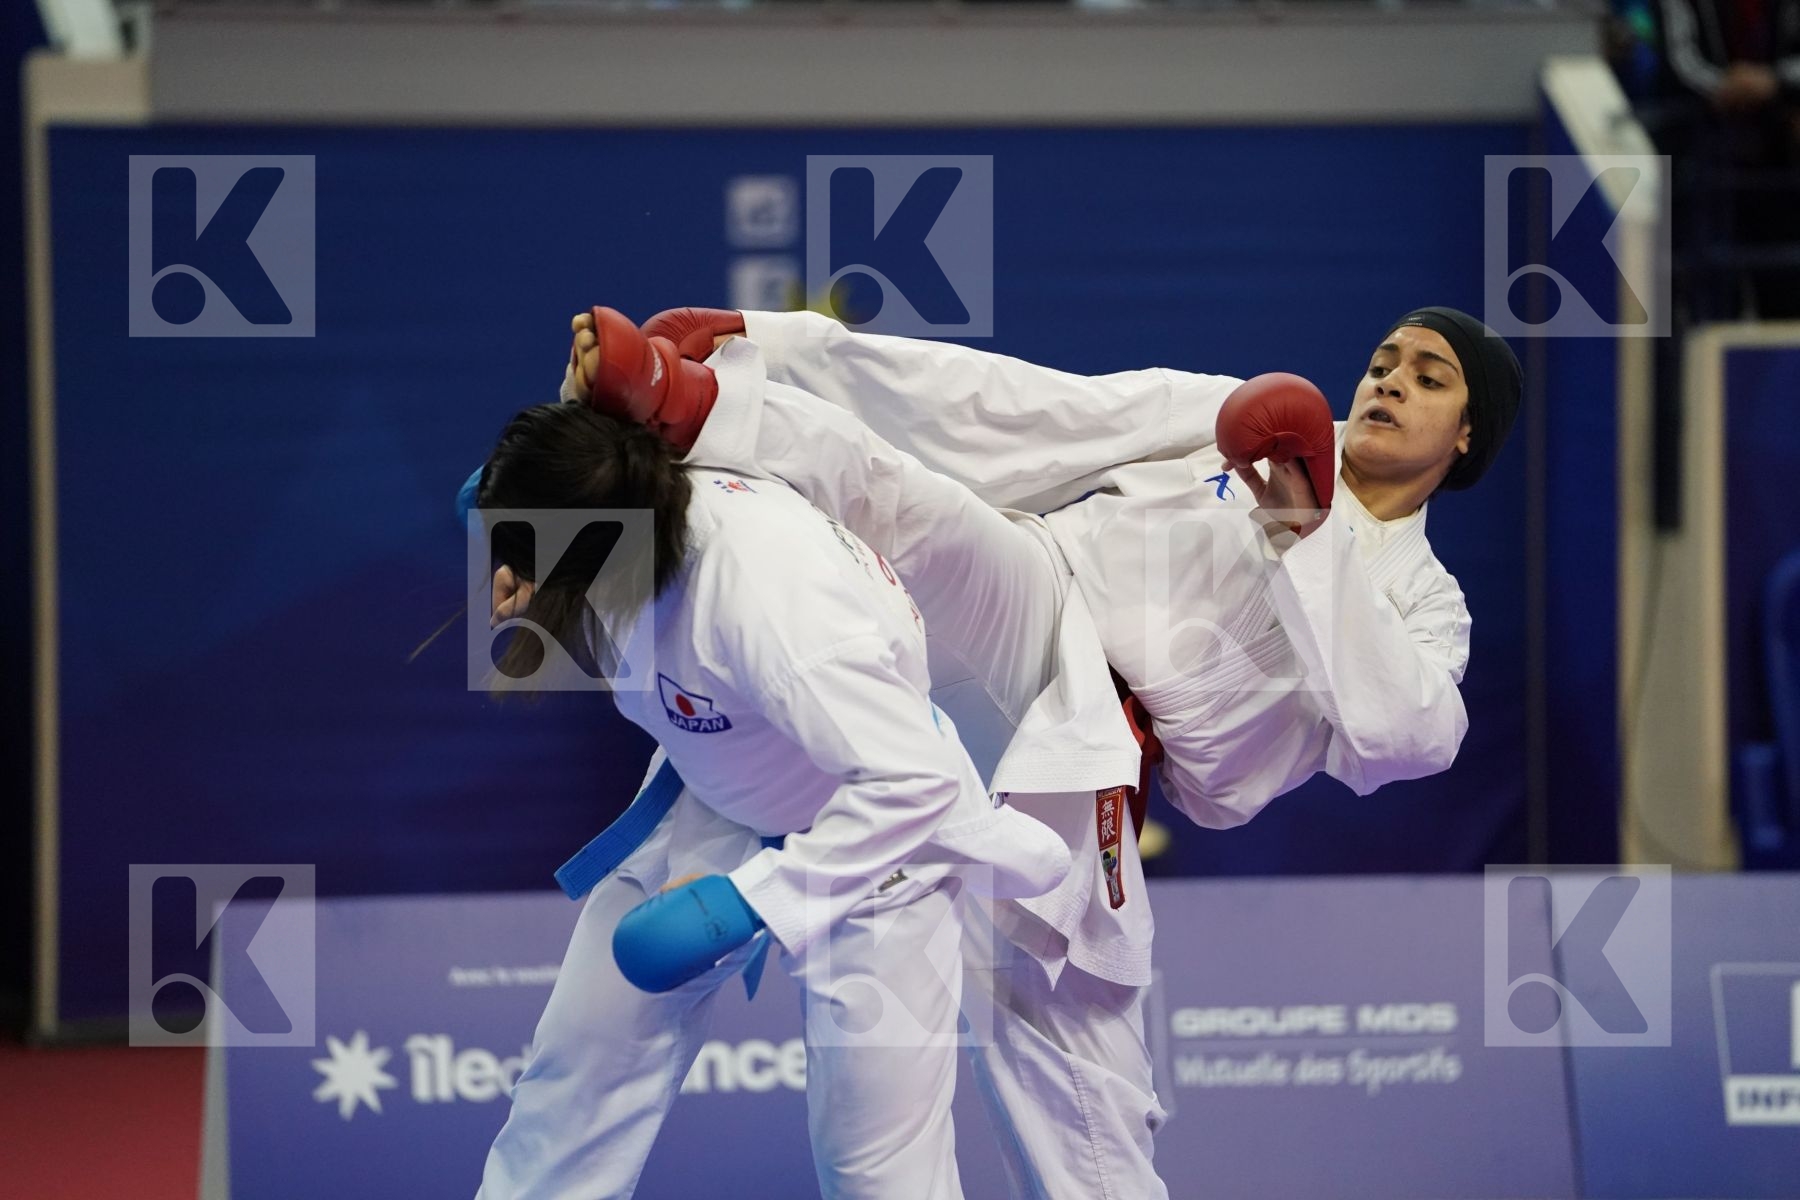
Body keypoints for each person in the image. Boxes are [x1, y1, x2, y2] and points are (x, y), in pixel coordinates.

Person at [564, 301, 1521, 1198]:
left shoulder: (1426, 602)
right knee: (913, 503)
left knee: (1087, 1108)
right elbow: (1021, 405)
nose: (1389, 381)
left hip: (1091, 767)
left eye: (1428, 377)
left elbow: (1407, 739)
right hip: (1038, 604)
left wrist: (1306, 535)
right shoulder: (1233, 415)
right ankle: (679, 403)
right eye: (1381, 362)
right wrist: (781, 341)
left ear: (1469, 435)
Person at [468, 399, 1072, 1199]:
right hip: (715, 788)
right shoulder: (617, 490)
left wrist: (746, 903)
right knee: (575, 1074)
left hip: (875, 842)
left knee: (877, 1170)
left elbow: (914, 781)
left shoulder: (779, 613)